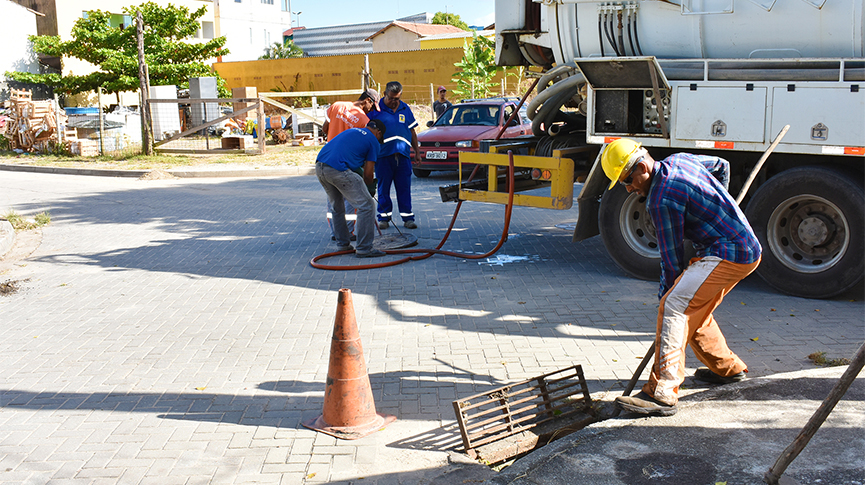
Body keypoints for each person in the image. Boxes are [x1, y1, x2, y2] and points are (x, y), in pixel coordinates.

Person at [601, 138, 762, 416]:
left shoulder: (661, 200)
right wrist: (718, 204)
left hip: (728, 252)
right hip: (744, 247)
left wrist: (665, 296)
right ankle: (728, 370)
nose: (629, 188)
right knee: (693, 309)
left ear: (642, 167)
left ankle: (662, 393)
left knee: (675, 306)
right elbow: (721, 166)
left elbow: (671, 261)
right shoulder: (680, 160)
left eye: (628, 180)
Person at [315, 119, 387, 258]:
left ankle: (342, 245)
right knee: (366, 205)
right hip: (338, 170)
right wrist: (369, 189)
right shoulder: (373, 141)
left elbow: (350, 159)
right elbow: (367, 174)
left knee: (337, 207)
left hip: (320, 167)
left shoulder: (353, 131)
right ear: (378, 133)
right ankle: (365, 248)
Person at [321, 88, 380, 241]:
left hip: (327, 158)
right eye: (372, 107)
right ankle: (350, 235)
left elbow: (324, 128)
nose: (370, 111)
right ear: (367, 100)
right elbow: (364, 152)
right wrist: (368, 187)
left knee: (334, 202)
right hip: (345, 164)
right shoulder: (364, 121)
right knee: (351, 200)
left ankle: (337, 234)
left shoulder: (337, 106)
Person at [368, 81, 420, 229]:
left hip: (403, 157)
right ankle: (384, 218)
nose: (394, 102)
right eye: (391, 98)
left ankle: (407, 218)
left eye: (397, 98)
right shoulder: (376, 110)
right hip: (383, 157)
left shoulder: (405, 108)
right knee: (383, 189)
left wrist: (417, 152)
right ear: (384, 94)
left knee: (404, 188)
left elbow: (412, 131)